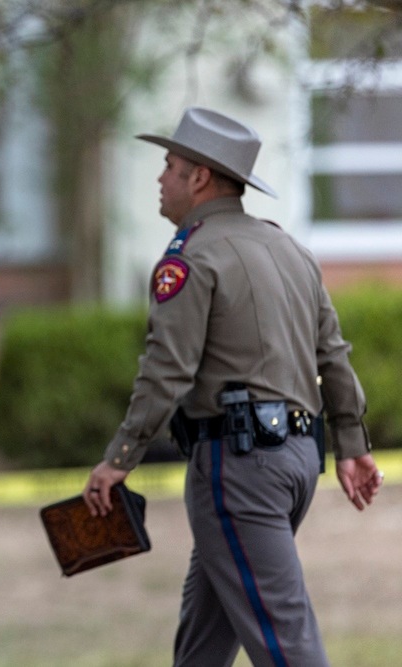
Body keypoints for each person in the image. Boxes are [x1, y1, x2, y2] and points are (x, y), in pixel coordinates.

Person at [82, 107, 384, 667]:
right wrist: (353, 446)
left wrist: (119, 457)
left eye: (169, 165)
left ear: (199, 177)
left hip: (240, 468)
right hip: (294, 461)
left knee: (285, 641)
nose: (160, 177)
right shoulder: (290, 251)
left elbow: (165, 370)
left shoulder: (192, 257)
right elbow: (333, 356)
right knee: (203, 642)